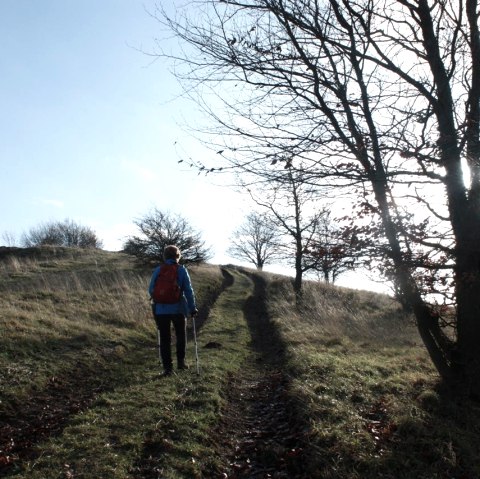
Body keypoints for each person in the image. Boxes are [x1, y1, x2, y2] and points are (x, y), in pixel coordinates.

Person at [149, 245, 198, 376]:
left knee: (165, 339)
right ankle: (181, 363)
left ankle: (168, 369)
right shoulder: (182, 270)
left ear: (165, 256)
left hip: (160, 310)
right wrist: (192, 308)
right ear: (178, 256)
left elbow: (151, 289)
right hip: (178, 309)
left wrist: (159, 300)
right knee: (180, 335)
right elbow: (188, 291)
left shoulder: (158, 270)